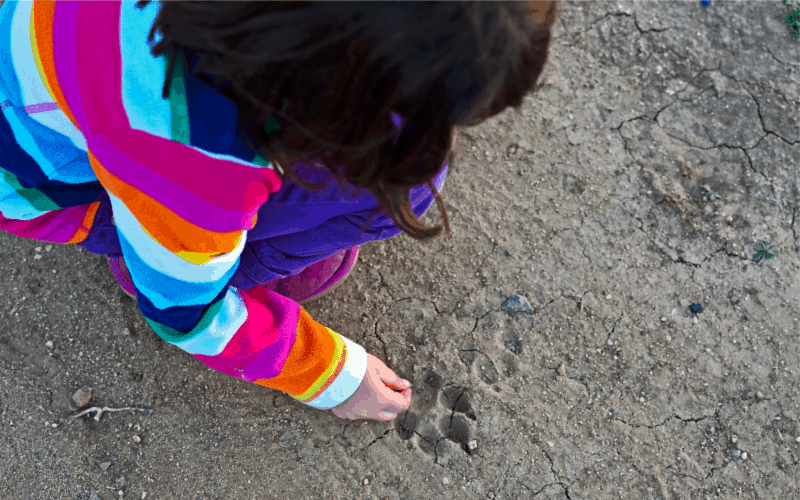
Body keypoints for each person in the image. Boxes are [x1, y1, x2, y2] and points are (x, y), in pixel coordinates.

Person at [0, 1, 555, 421]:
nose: (449, 137)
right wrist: (333, 374)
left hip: (60, 87)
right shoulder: (193, 148)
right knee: (408, 187)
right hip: (50, 181)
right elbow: (183, 315)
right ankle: (144, 254)